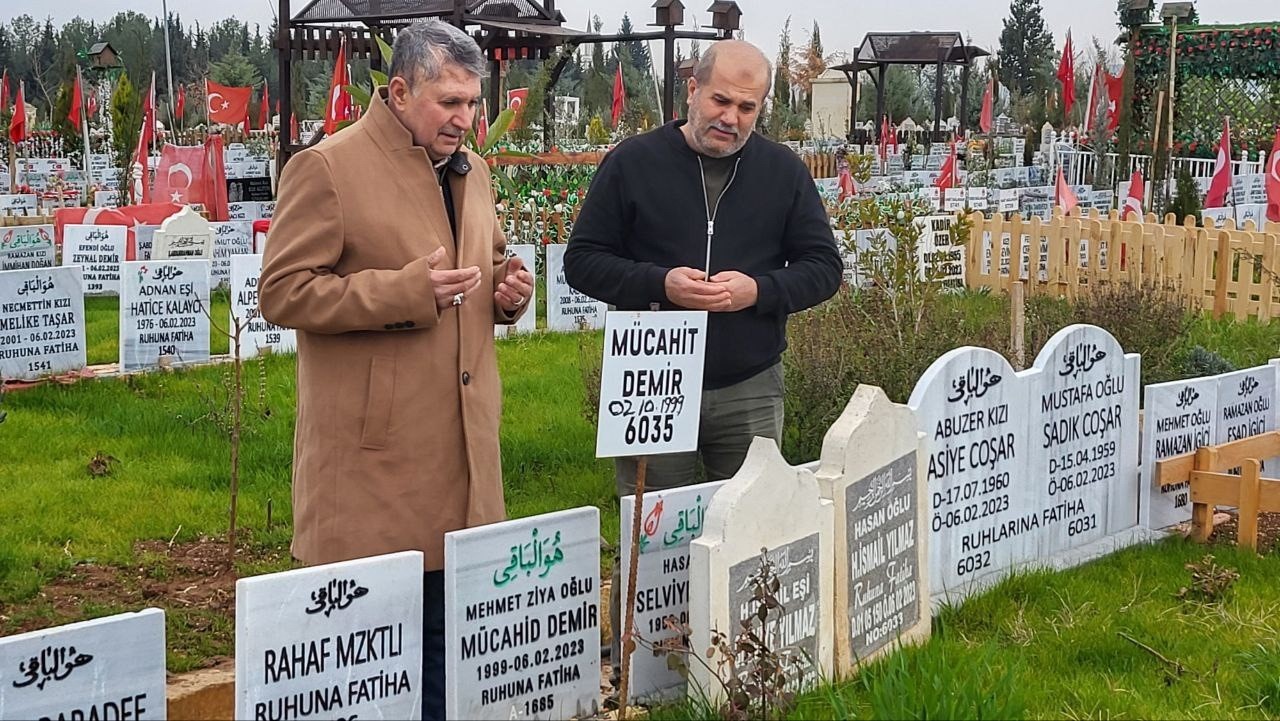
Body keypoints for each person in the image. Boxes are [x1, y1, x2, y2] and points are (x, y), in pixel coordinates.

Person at [258, 20, 532, 720]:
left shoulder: (474, 172)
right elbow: (282, 292)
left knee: (448, 661)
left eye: (472, 103)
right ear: (400, 91)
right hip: (374, 468)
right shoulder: (327, 168)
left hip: (463, 456)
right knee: (376, 668)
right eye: (450, 103)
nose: (465, 119)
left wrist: (506, 291)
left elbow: (483, 263)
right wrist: (403, 293)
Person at [563, 38, 842, 690]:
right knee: (651, 527)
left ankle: (744, 665)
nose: (731, 118)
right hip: (653, 377)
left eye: (748, 107)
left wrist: (758, 291)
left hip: (749, 382)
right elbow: (583, 260)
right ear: (692, 89)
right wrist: (660, 284)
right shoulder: (633, 163)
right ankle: (643, 674)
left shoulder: (782, 172)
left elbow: (823, 268)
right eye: (720, 100)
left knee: (751, 522)